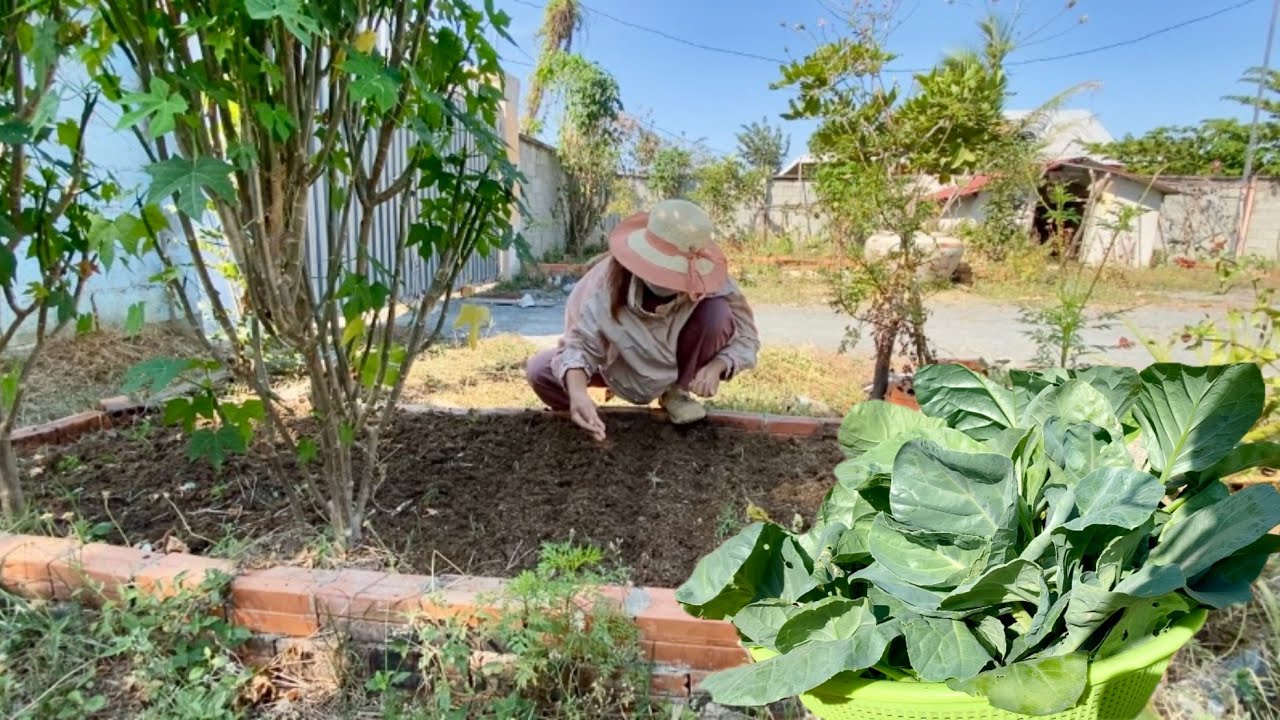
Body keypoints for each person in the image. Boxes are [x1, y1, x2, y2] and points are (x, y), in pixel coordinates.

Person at [525, 199, 760, 441]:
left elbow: (747, 338)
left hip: (675, 365)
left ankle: (675, 393)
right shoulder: (602, 284)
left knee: (717, 314)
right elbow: (579, 345)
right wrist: (577, 393)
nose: (665, 278)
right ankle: (588, 419)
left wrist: (717, 365)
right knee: (540, 370)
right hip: (614, 366)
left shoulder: (709, 279)